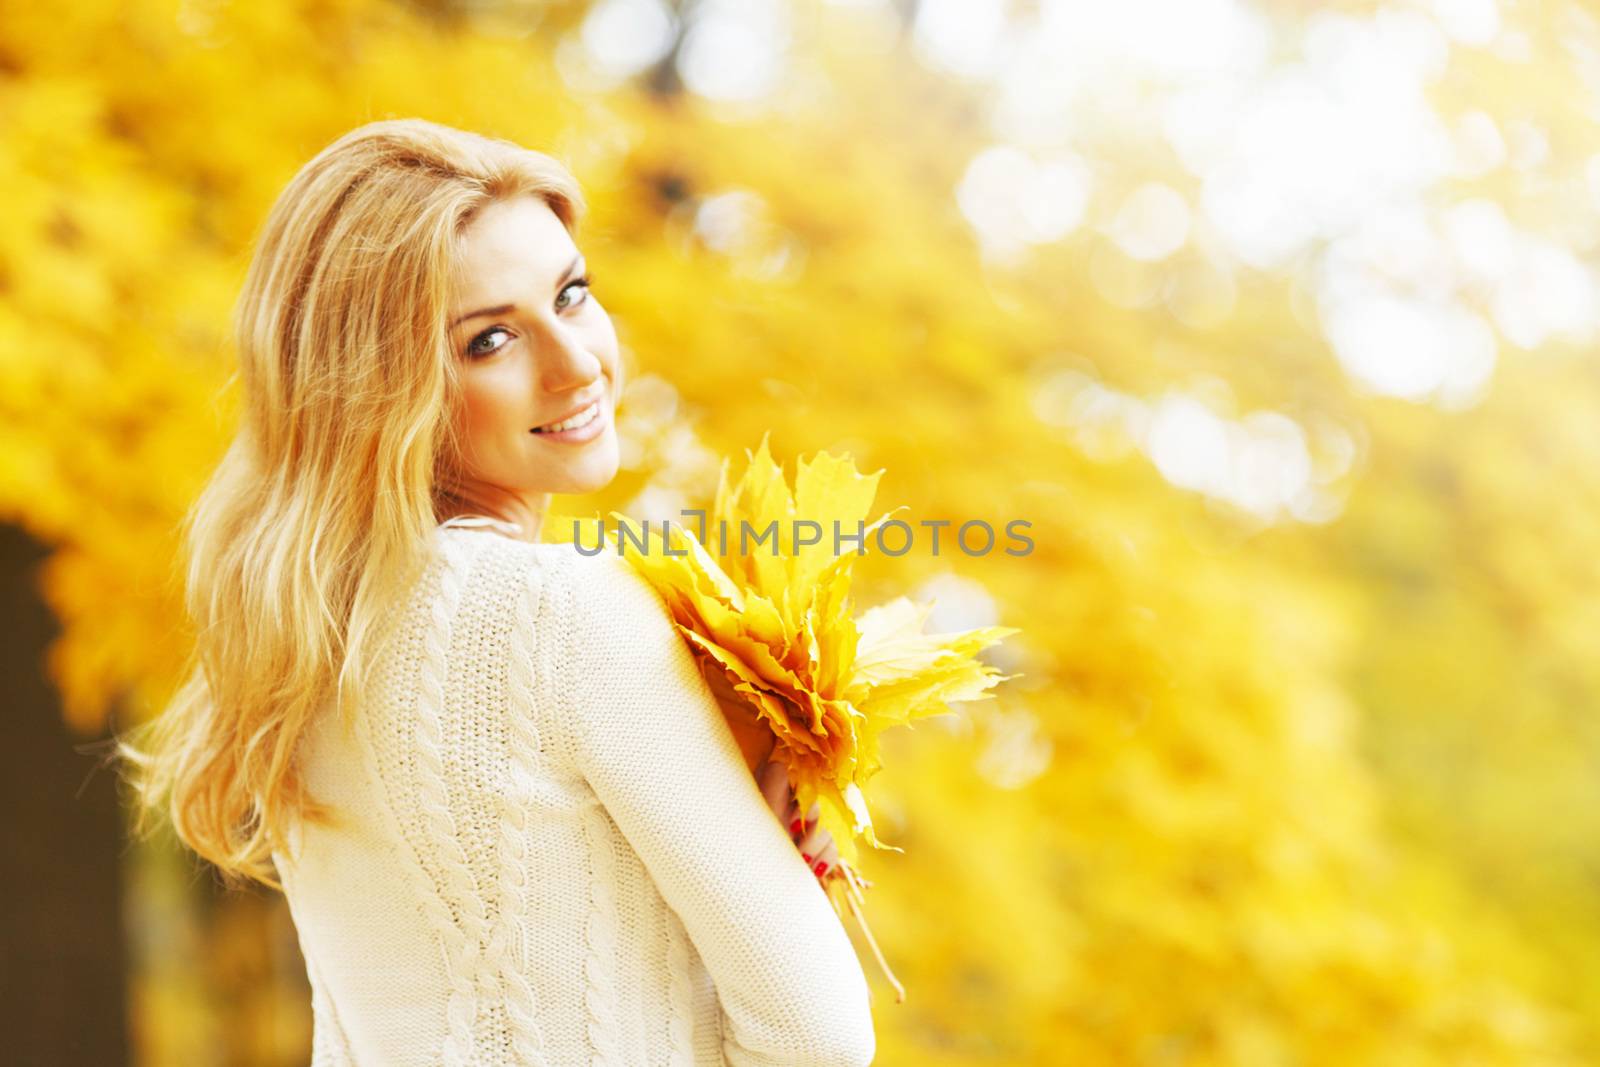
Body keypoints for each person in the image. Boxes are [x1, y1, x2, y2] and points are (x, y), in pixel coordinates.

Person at [114, 117, 875, 1066]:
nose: (577, 362)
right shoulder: (562, 615)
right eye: (490, 340)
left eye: (573, 293)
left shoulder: (307, 637)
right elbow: (819, 1037)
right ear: (383, 389)